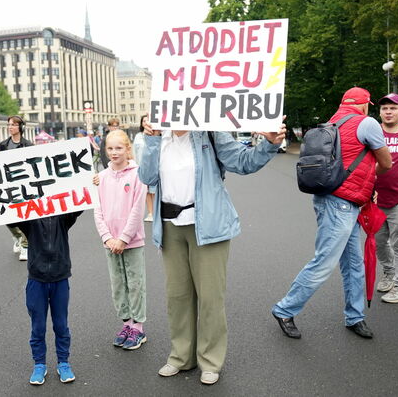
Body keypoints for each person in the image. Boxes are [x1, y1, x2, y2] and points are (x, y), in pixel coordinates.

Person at [138, 116, 286, 385]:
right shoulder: (159, 138)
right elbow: (146, 177)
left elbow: (243, 161)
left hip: (207, 225)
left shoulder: (209, 132)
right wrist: (151, 139)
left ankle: (210, 360)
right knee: (178, 296)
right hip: (170, 226)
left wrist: (270, 143)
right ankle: (181, 356)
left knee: (210, 297)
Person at [272, 87, 392, 340]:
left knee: (353, 264)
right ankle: (285, 309)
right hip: (341, 204)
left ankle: (355, 316)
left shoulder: (331, 123)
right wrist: (370, 181)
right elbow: (386, 163)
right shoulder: (367, 122)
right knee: (324, 262)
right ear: (365, 105)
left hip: (330, 198)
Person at [0, 204, 82, 386]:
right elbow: (5, 213)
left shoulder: (63, 218)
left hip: (60, 278)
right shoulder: (29, 219)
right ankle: (39, 364)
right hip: (36, 280)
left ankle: (63, 362)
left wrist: (93, 184)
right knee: (38, 326)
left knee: (61, 325)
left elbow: (80, 202)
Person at [94, 130, 147, 350]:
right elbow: (97, 209)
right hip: (110, 242)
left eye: (119, 148)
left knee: (135, 283)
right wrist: (107, 237)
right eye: (110, 148)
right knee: (118, 284)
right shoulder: (102, 177)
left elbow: (137, 209)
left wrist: (124, 238)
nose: (114, 152)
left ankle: (138, 329)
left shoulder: (137, 174)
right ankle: (126, 323)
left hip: (131, 241)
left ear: (127, 149)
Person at [374, 93, 398, 303]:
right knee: (379, 242)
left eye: (393, 108)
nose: (388, 112)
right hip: (375, 200)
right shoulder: (374, 134)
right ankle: (389, 273)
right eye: (385, 108)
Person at [0, 116, 32, 261]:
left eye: (13, 125)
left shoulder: (29, 145)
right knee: (8, 217)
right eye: (9, 125)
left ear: (20, 128)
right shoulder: (2, 146)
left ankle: (25, 246)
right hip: (7, 185)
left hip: (24, 186)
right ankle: (17, 236)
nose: (10, 127)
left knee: (24, 215)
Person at [133, 115, 155, 222]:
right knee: (146, 192)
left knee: (154, 191)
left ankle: (156, 212)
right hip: (141, 167)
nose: (146, 122)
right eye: (144, 121)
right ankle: (150, 213)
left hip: (153, 166)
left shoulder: (156, 134)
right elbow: (135, 152)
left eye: (148, 120)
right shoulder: (138, 136)